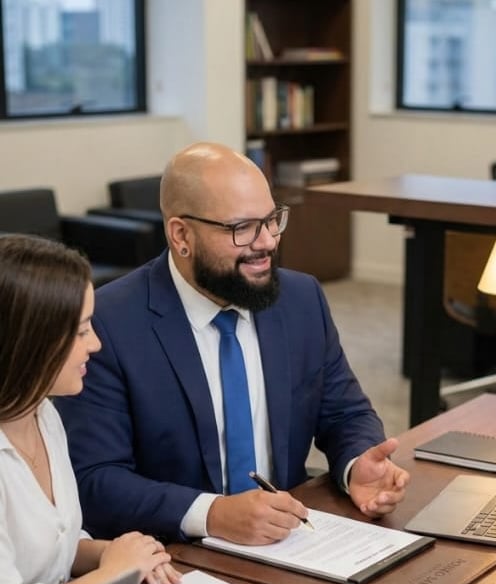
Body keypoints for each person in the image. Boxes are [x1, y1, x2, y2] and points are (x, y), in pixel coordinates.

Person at [56, 141, 410, 547]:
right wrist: (212, 514)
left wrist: (356, 463)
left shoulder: (301, 299)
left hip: (290, 541)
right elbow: (95, 479)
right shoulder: (108, 322)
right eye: (242, 228)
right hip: (172, 553)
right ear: (181, 235)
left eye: (272, 220)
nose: (268, 242)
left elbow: (344, 411)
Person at [0, 234, 180, 584]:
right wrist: (113, 574)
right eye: (82, 331)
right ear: (30, 342)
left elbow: (53, 547)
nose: (95, 344)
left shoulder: (44, 413)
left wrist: (116, 553)